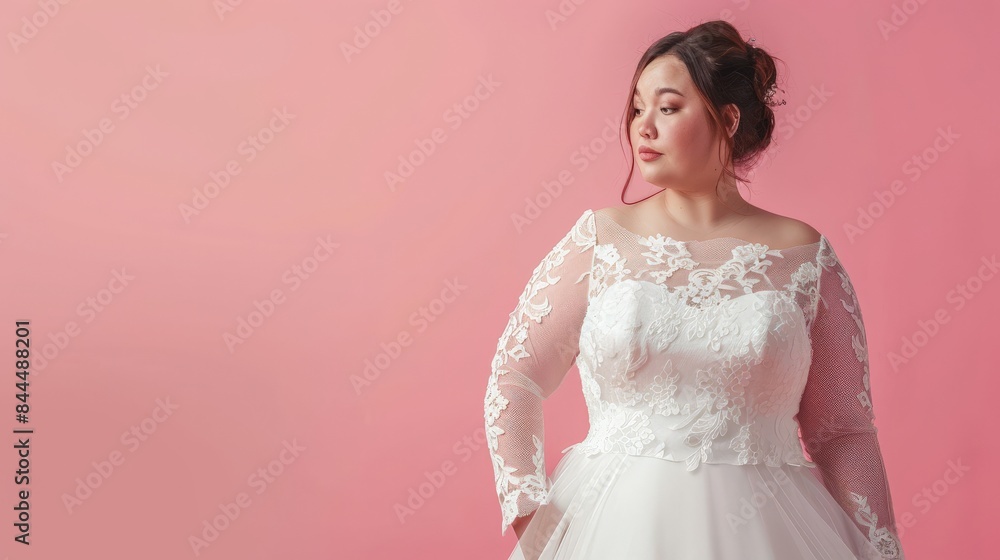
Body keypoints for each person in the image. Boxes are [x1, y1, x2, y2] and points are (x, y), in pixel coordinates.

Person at [483, 20, 905, 559]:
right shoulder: (601, 240)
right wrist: (530, 517)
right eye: (637, 108)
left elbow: (843, 432)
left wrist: (882, 551)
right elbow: (514, 377)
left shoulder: (805, 255)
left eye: (667, 107)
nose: (642, 128)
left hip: (772, 531)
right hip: (609, 528)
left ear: (727, 120)